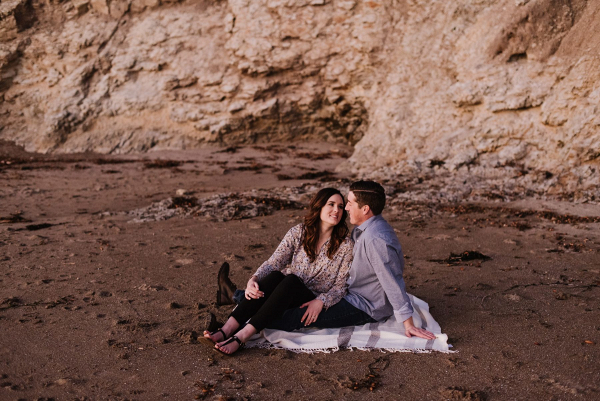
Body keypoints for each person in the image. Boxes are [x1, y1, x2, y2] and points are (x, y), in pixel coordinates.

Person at [220, 180, 436, 340]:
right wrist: (254, 278)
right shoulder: (361, 231)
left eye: (347, 204)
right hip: (336, 294)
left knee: (286, 318)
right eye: (337, 204)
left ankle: (238, 301)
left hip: (364, 305)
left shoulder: (371, 239)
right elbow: (275, 262)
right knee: (279, 280)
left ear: (365, 209)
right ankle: (238, 301)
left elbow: (391, 279)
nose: (344, 209)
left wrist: (407, 323)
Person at [204, 187, 353, 355]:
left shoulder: (345, 245)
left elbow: (341, 286)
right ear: (319, 207)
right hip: (284, 291)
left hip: (309, 299)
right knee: (275, 276)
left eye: (341, 207)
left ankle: (241, 337)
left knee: (290, 280)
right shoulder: (299, 232)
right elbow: (274, 262)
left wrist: (321, 301)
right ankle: (225, 329)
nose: (336, 210)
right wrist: (253, 279)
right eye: (331, 204)